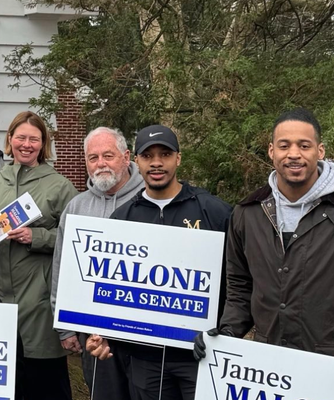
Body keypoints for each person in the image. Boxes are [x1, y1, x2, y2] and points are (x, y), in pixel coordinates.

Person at [197, 107, 334, 393]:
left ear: (320, 151)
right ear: (271, 151)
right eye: (284, 145)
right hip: (267, 371)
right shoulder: (248, 213)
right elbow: (241, 287)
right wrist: (225, 334)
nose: (294, 154)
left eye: (304, 145)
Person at [83, 125, 229, 400]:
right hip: (145, 361)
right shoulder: (123, 219)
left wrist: (225, 328)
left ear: (179, 158)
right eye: (148, 156)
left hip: (199, 356)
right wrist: (101, 334)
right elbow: (109, 292)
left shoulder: (213, 211)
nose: (157, 162)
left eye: (165, 154)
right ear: (136, 161)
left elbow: (237, 280)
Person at [0, 111, 77, 400]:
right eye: (21, 137)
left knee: (45, 384)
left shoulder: (60, 186)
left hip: (38, 300)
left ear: (43, 144)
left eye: (34, 139)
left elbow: (76, 241)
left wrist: (35, 236)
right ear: (10, 139)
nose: (26, 144)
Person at [49, 126, 143, 400]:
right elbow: (61, 268)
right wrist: (64, 326)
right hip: (92, 333)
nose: (100, 164)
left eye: (108, 156)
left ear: (126, 157)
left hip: (142, 333)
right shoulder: (76, 207)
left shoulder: (149, 200)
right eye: (93, 158)